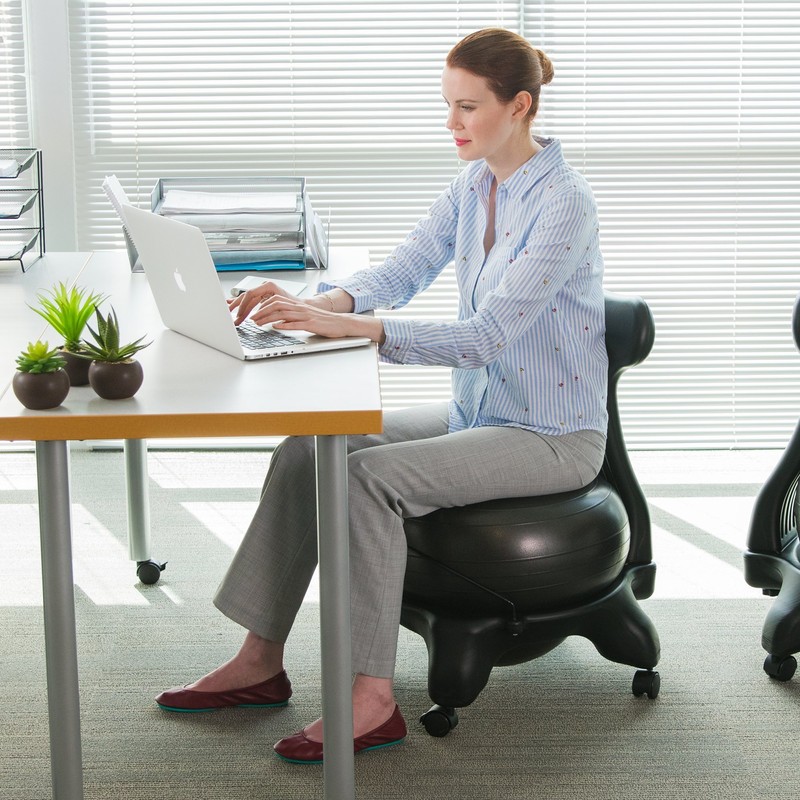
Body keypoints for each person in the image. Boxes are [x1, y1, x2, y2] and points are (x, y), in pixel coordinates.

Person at [155, 27, 609, 764]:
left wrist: (358, 329)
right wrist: (315, 304)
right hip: (478, 414)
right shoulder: (475, 184)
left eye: (467, 107)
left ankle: (371, 699)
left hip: (550, 435)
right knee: (307, 452)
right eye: (447, 104)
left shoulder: (564, 203)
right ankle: (259, 661)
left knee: (366, 478)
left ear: (520, 105)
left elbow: (486, 336)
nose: (451, 122)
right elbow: (404, 268)